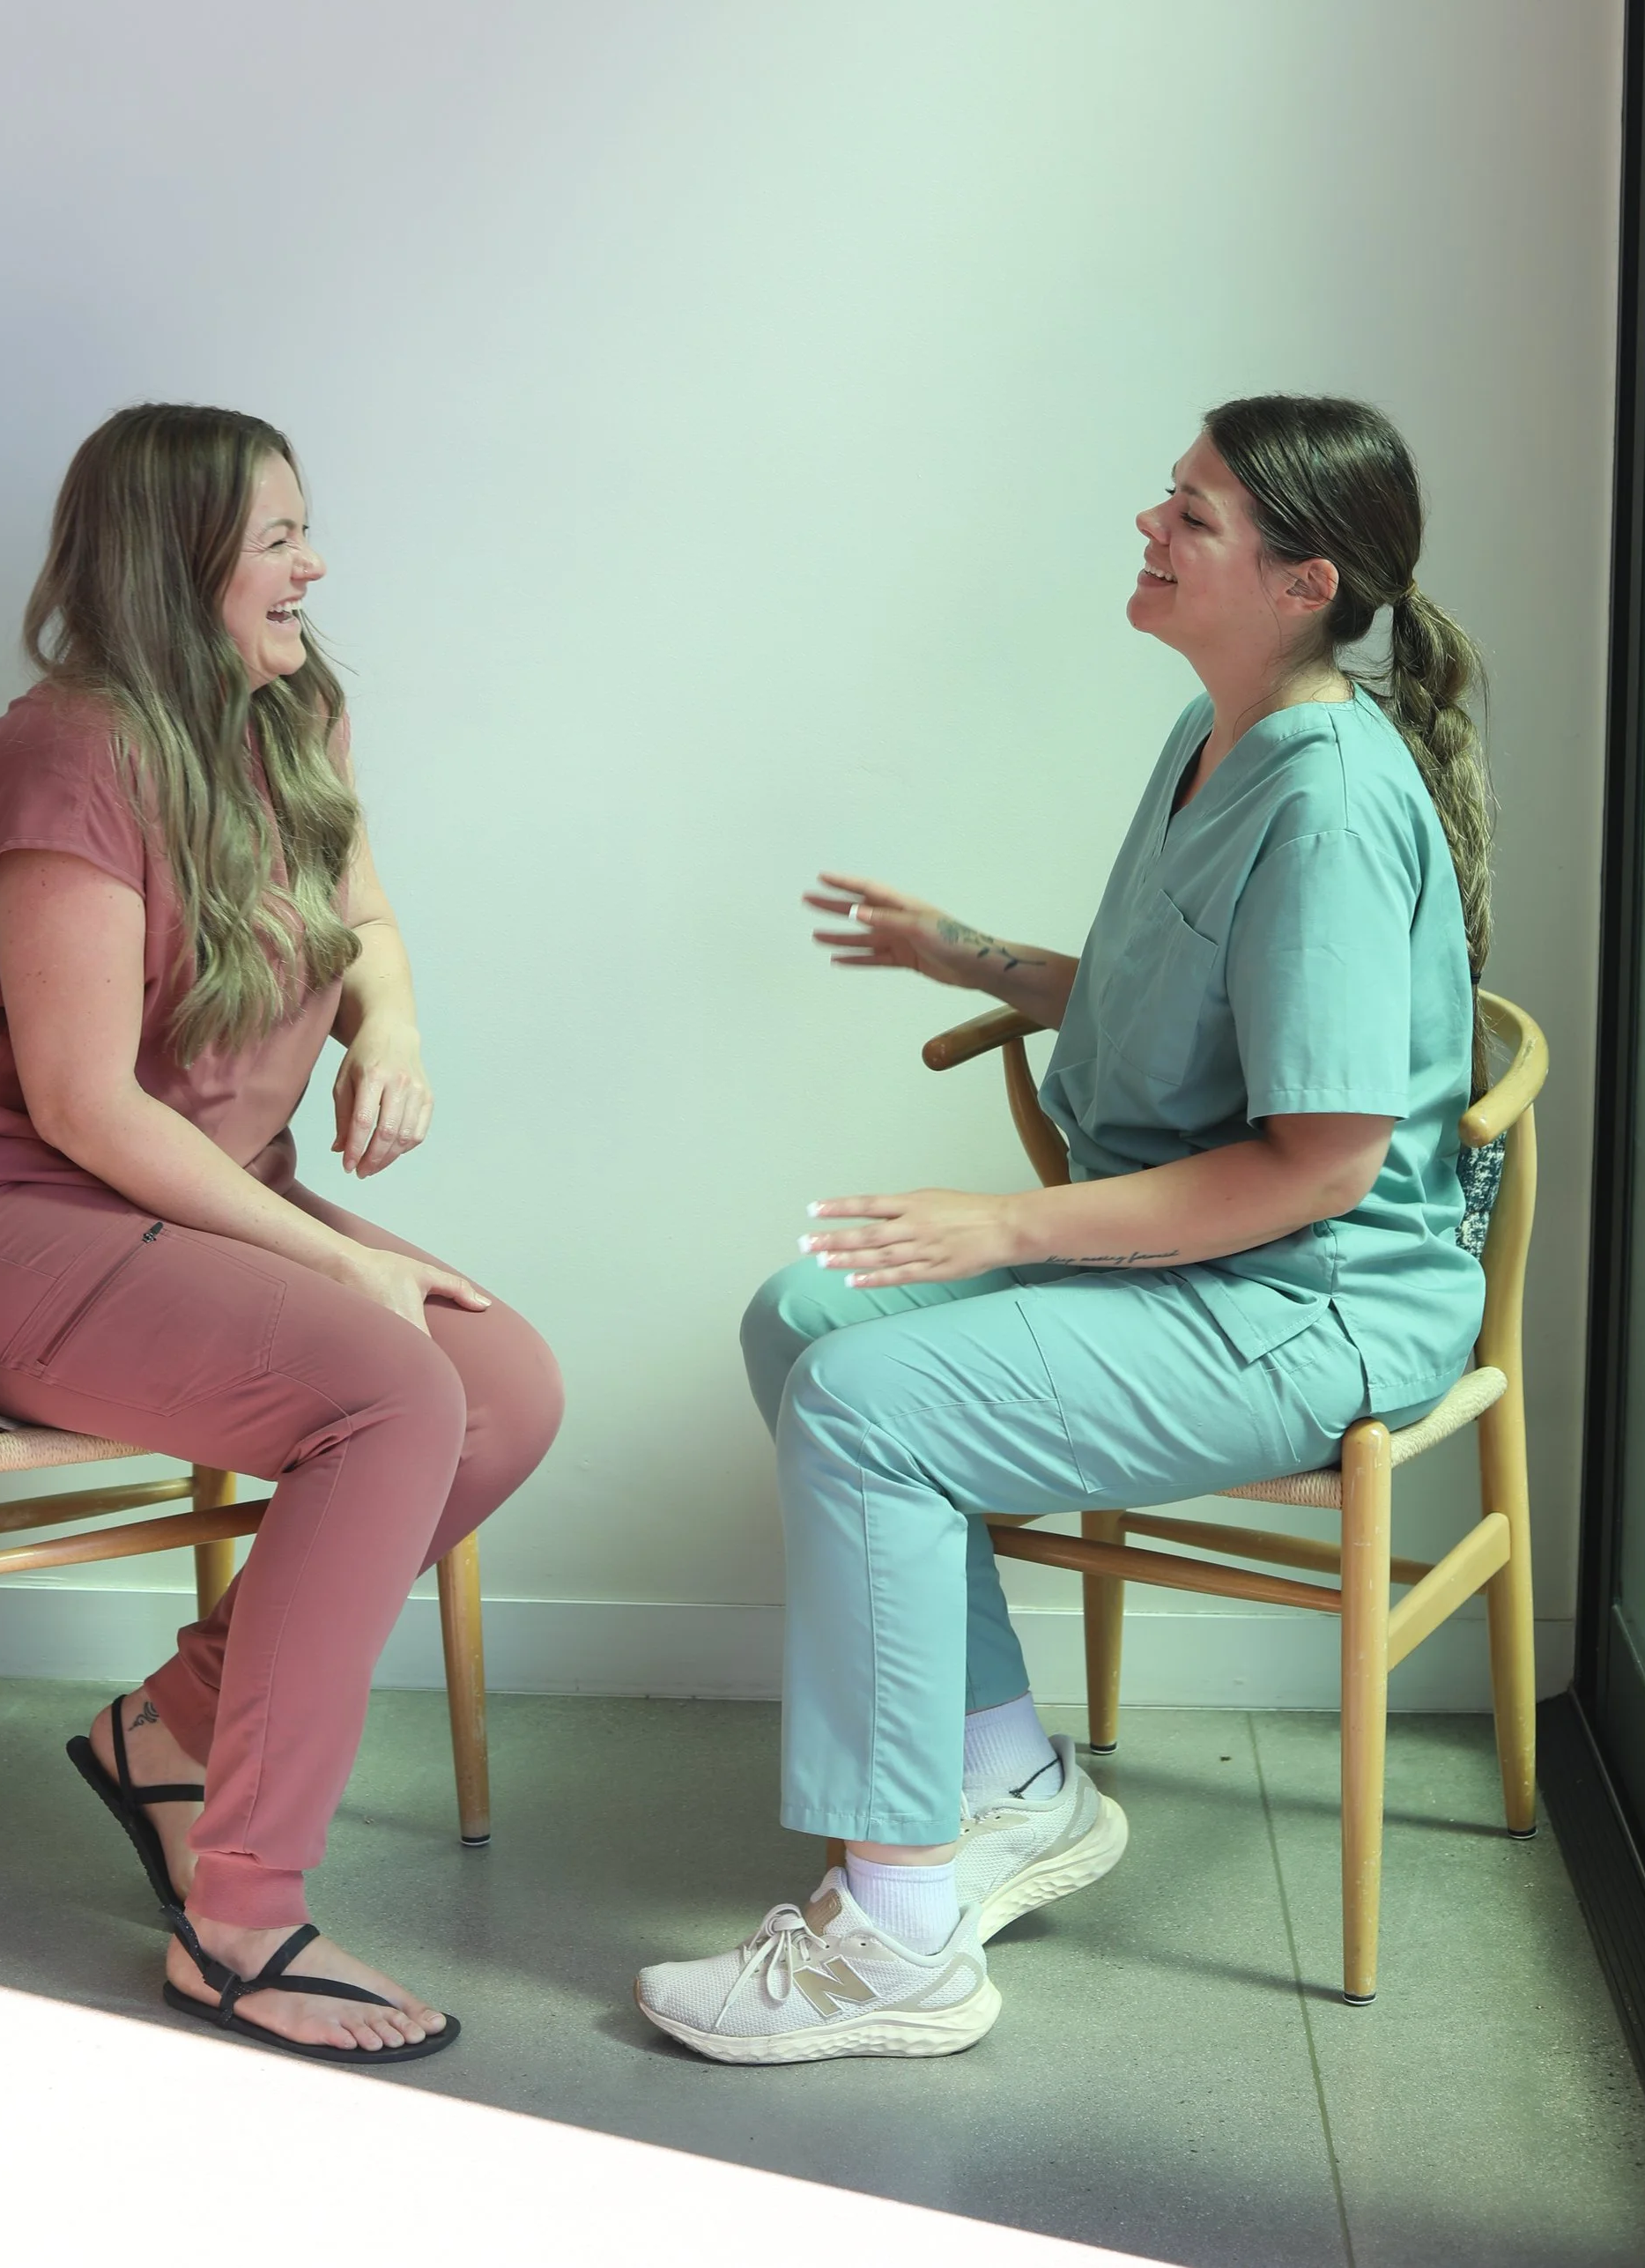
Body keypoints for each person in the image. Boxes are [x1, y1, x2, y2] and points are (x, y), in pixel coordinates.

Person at [635, 393, 1492, 2065]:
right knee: (798, 1319)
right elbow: (1183, 994)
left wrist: (1011, 1225)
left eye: (1194, 514)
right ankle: (1006, 1777)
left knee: (876, 1408)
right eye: (1165, 499)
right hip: (1205, 1260)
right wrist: (969, 953)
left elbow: (1319, 1164)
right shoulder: (1214, 740)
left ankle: (897, 1937)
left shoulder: (1325, 800)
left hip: (1304, 1300)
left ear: (1304, 578)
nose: (1152, 530)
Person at [0, 404, 562, 2064]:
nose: (317, 562)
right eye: (281, 533)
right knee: (394, 1390)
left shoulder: (292, 714)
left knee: (503, 1385)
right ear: (177, 562)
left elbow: (364, 914)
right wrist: (336, 1260)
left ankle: (174, 1732)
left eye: (310, 524)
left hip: (164, 1191)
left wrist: (397, 1027)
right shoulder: (68, 759)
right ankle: (238, 1915)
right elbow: (84, 1104)